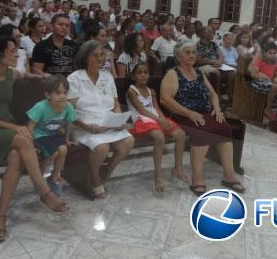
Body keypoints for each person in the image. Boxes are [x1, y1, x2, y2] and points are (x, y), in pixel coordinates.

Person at [0, 36, 68, 243]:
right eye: (12, 50)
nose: (17, 54)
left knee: (16, 157)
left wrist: (41, 78)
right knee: (24, 138)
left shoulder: (10, 73)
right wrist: (15, 126)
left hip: (7, 131)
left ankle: (0, 216)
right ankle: (45, 192)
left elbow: (27, 75)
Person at [160, 39, 244, 196]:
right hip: (182, 115)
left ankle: (228, 174)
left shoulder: (198, 73)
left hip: (203, 114)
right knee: (202, 131)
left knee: (224, 127)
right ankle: (197, 177)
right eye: (187, 52)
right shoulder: (173, 74)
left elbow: (212, 94)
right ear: (178, 56)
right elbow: (165, 99)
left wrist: (217, 109)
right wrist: (189, 113)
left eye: (193, 52)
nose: (192, 55)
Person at [67, 40, 134, 199]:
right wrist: (86, 126)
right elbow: (69, 111)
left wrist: (118, 119)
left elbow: (116, 103)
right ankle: (95, 177)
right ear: (85, 57)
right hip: (83, 125)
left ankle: (106, 173)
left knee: (128, 141)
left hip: (106, 122)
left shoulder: (107, 76)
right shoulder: (75, 78)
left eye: (102, 55)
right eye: (95, 55)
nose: (100, 58)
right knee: (102, 148)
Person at [127, 62, 188, 192]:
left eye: (145, 72)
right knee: (159, 137)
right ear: (133, 76)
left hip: (155, 118)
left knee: (180, 134)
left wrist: (162, 119)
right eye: (139, 73)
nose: (143, 75)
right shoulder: (132, 90)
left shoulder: (152, 91)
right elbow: (142, 110)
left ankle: (178, 168)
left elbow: (157, 108)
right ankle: (158, 176)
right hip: (141, 119)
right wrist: (159, 120)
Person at [26, 75, 77, 196]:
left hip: (52, 136)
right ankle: (38, 181)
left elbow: (69, 124)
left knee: (63, 149)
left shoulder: (68, 106)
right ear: (48, 95)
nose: (63, 96)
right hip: (39, 136)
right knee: (53, 153)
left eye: (65, 92)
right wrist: (31, 145)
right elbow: (30, 126)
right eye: (58, 93)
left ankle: (54, 177)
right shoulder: (41, 107)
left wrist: (67, 140)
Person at [248, 42, 277, 122]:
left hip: (270, 84)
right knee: (274, 86)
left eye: (274, 53)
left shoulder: (276, 63)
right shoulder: (260, 61)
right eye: (270, 53)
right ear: (264, 53)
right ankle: (268, 109)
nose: (272, 55)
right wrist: (263, 76)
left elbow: (275, 75)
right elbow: (253, 74)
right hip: (258, 83)